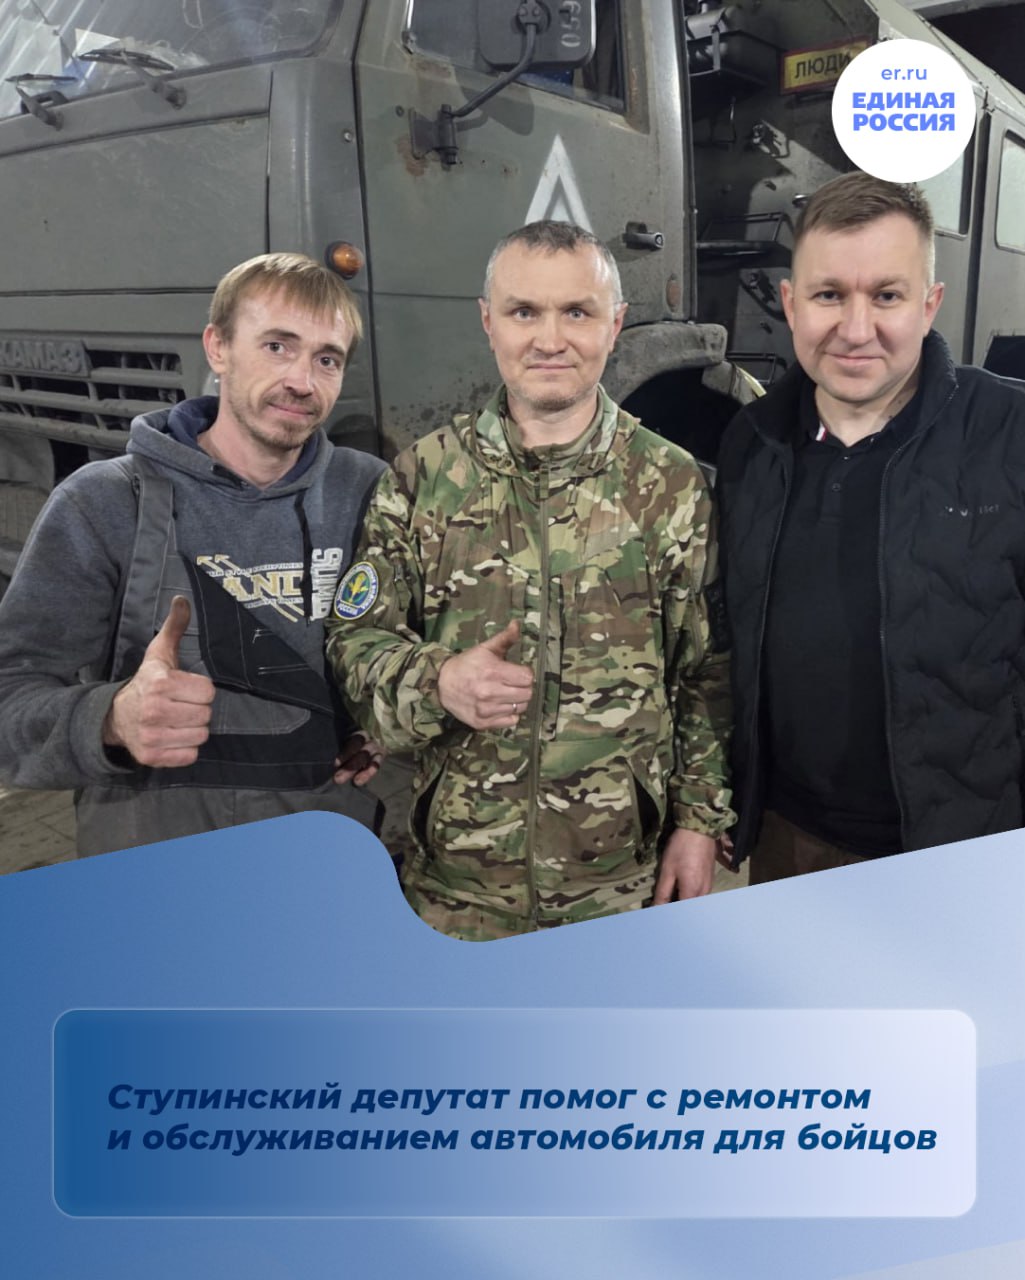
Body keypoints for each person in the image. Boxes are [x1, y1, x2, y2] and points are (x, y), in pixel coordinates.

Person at [325, 220, 733, 940]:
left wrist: (698, 823)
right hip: (454, 889)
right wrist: (440, 682)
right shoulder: (422, 478)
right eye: (524, 312)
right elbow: (354, 644)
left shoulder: (669, 484)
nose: (550, 339)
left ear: (615, 324)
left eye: (576, 311)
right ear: (489, 322)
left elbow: (706, 672)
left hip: (621, 887)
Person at [0, 252, 386, 856]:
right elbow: (10, 696)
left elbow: (405, 648)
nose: (302, 381)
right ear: (218, 347)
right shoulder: (105, 503)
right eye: (277, 346)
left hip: (325, 855)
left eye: (326, 359)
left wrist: (386, 718)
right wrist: (111, 718)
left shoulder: (371, 492)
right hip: (163, 868)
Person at [717, 171, 1025, 880]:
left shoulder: (1010, 436)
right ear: (790, 304)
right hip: (785, 840)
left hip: (959, 849)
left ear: (929, 304)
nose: (856, 331)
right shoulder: (750, 442)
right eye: (829, 295)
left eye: (886, 295)